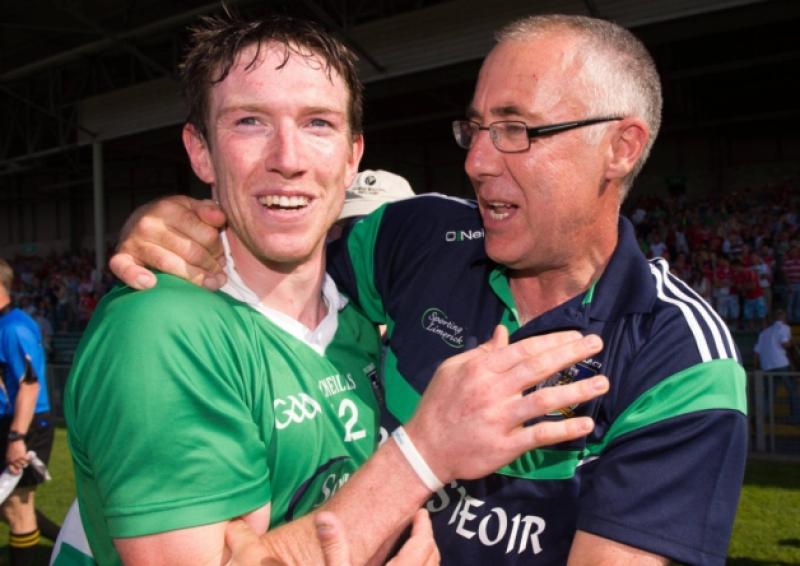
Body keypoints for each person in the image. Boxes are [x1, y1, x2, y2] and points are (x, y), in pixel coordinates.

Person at [113, 14, 748, 565]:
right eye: (475, 128)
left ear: (620, 147)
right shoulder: (416, 238)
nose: (477, 160)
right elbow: (281, 242)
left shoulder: (682, 361)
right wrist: (185, 222)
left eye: (516, 129)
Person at [0, 259, 55, 565]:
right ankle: (61, 538)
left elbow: (30, 385)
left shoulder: (14, 327)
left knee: (18, 508)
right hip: (12, 423)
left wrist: (17, 437)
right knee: (10, 505)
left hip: (26, 425)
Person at [753, 309, 799, 421]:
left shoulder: (764, 332)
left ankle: (761, 417)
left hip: (767, 366)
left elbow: (756, 353)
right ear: (784, 319)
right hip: (781, 363)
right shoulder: (784, 328)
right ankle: (795, 416)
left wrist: (757, 367)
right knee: (792, 390)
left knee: (770, 393)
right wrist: (793, 342)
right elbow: (785, 344)